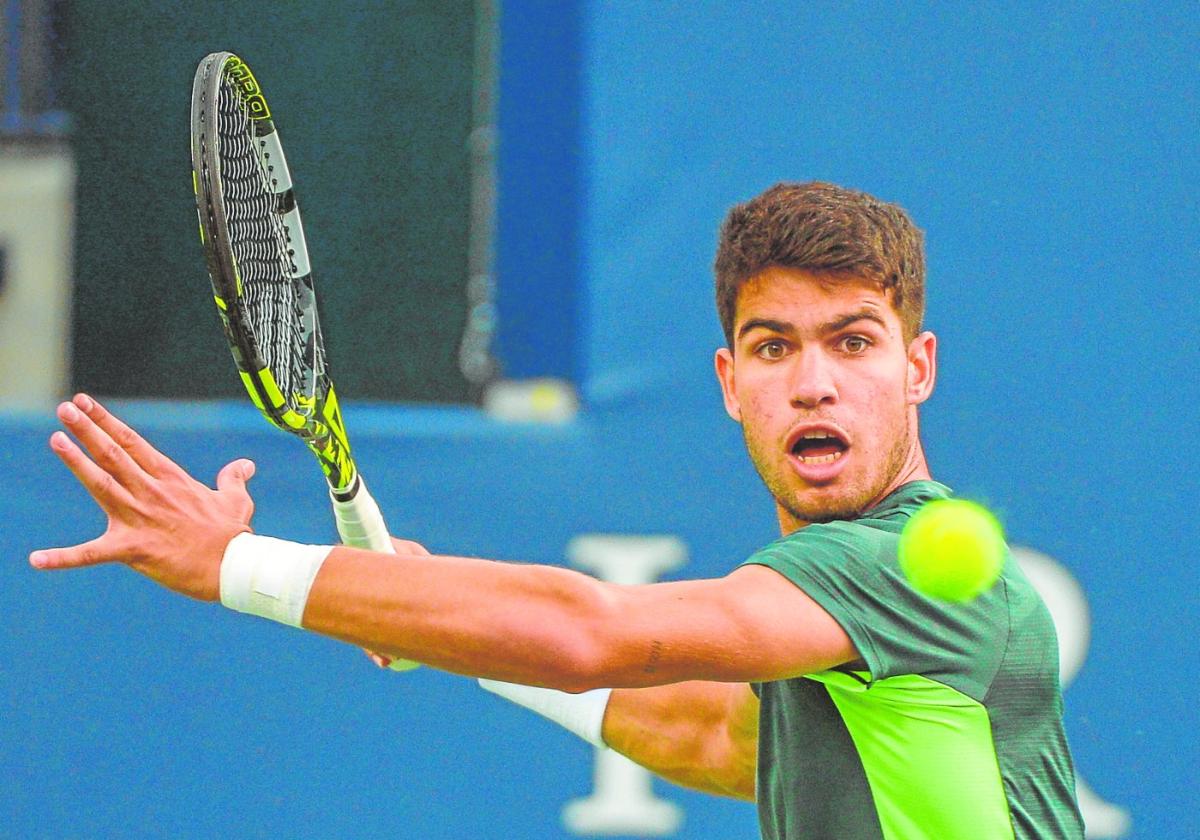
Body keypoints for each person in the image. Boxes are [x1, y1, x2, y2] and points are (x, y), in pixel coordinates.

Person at [32, 182, 1083, 839]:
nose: (813, 382)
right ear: (729, 380)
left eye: (852, 341)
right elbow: (714, 735)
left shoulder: (898, 567)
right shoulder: (843, 635)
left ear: (918, 369)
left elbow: (593, 634)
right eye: (775, 346)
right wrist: (443, 635)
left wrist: (236, 565)